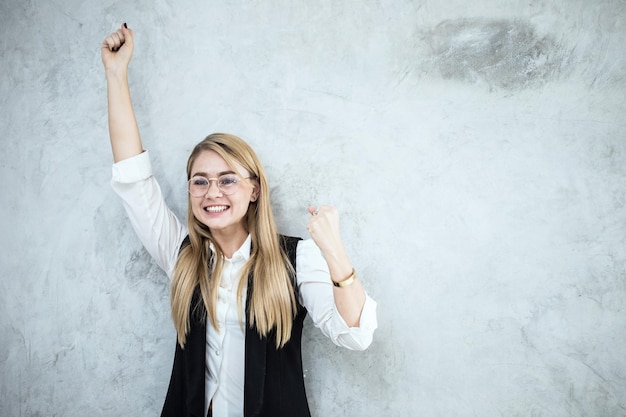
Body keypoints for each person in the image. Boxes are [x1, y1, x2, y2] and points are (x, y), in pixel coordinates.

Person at [101, 23, 377, 417]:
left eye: (227, 179)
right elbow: (133, 178)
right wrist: (116, 74)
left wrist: (334, 251)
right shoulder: (181, 256)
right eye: (201, 182)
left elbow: (356, 335)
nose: (212, 192)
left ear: (254, 190)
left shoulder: (297, 259)